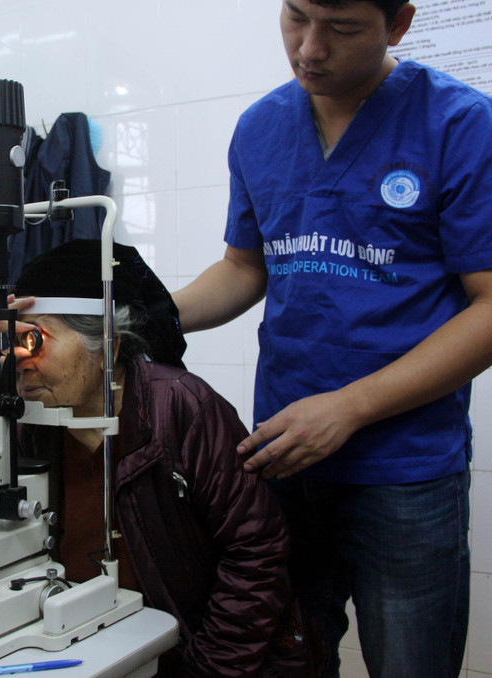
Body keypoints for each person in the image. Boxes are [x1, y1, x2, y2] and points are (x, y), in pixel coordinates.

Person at [172, 2, 492, 677]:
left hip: (405, 471)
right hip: (285, 455)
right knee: (289, 655)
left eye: (341, 28)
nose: (309, 48)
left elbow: (489, 307)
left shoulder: (459, 124)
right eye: (295, 17)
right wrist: (142, 315)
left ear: (398, 24)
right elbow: (243, 267)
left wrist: (348, 408)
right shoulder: (260, 127)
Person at [13, 239, 322, 678]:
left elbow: (257, 552)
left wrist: (207, 671)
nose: (21, 361)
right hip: (92, 646)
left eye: (33, 339)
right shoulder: (31, 426)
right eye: (12, 342)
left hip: (192, 651)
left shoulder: (182, 409)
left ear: (108, 344)